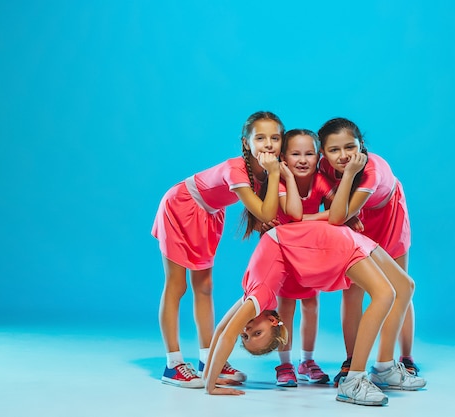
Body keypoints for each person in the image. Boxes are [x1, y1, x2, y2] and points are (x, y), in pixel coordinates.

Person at [203, 221, 420, 406]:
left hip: (329, 237)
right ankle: (359, 377)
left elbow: (226, 332)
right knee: (393, 291)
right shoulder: (259, 296)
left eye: (247, 336)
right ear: (272, 320)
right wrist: (209, 381)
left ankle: (375, 372)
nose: (246, 330)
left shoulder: (257, 295)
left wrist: (209, 383)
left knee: (399, 289)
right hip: (329, 244)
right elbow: (225, 330)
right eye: (254, 335)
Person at [151, 111, 285, 388]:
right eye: (260, 138)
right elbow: (264, 210)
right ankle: (173, 364)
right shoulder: (237, 169)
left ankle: (207, 357)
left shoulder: (268, 170)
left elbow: (270, 214)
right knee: (177, 285)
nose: (269, 144)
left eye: (275, 138)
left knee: (205, 287)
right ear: (247, 143)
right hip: (181, 205)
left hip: (209, 213)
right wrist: (273, 174)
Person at [317, 117, 425, 388]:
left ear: (361, 145)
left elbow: (338, 215)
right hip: (355, 217)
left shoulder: (372, 172)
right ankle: (352, 359)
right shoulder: (322, 168)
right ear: (323, 153)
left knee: (400, 286)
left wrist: (347, 205)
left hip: (388, 215)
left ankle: (405, 357)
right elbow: (333, 201)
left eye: (350, 147)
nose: (343, 156)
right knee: (352, 290)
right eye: (334, 150)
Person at [270, 129, 334, 386]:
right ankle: (284, 363)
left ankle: (307, 360)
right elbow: (292, 214)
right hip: (284, 251)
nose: (303, 159)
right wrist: (317, 219)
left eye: (309, 153)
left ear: (319, 156)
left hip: (310, 250)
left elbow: (338, 210)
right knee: (285, 307)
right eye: (295, 154)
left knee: (311, 305)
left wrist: (310, 220)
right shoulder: (283, 183)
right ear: (284, 158)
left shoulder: (320, 181)